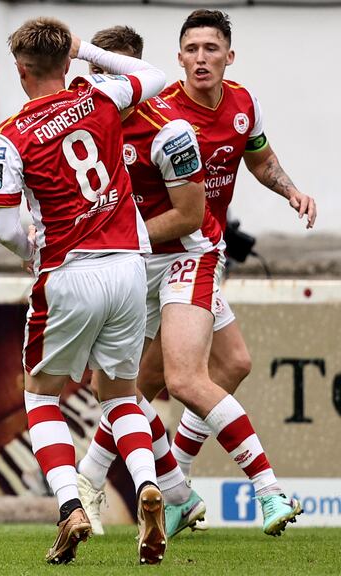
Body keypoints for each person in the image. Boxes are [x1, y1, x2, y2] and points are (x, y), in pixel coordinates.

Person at [78, 10, 308, 538]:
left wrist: (289, 188)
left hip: (192, 252)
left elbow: (258, 158)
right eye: (192, 49)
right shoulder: (138, 115)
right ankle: (164, 486)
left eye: (211, 48)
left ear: (229, 56)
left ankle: (236, 487)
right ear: (177, 57)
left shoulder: (234, 106)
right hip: (144, 262)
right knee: (157, 381)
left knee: (193, 375)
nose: (201, 58)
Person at [0, 17, 167, 565]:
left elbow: (3, 226)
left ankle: (69, 505)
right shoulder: (103, 99)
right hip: (129, 268)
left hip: (69, 272)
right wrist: (85, 47)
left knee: (41, 394)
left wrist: (30, 253)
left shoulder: (10, 134)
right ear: (68, 62)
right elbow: (154, 74)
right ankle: (146, 486)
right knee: (118, 391)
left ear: (20, 69)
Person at [75, 25, 208, 540]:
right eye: (96, 71)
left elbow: (190, 216)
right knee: (118, 388)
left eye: (116, 71)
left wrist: (121, 241)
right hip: (130, 268)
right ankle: (170, 491)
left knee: (198, 376)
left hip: (180, 264)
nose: (104, 81)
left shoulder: (169, 130)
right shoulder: (80, 122)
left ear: (138, 74)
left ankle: (260, 489)